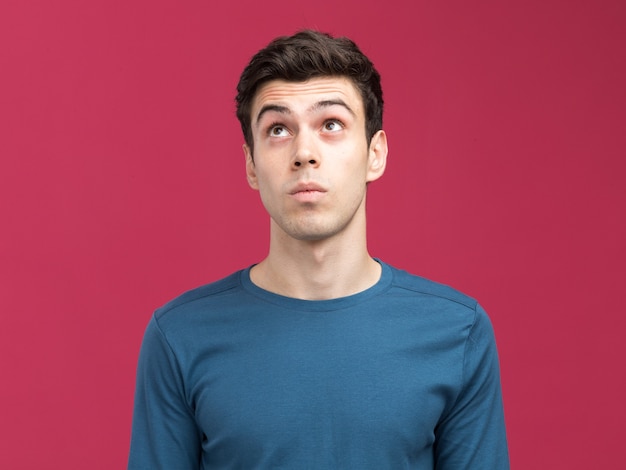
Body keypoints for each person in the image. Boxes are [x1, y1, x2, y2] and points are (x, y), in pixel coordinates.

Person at [128, 30, 509, 469]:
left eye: (331, 125)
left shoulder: (458, 332)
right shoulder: (179, 337)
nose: (304, 152)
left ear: (375, 154)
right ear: (251, 166)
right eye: (277, 129)